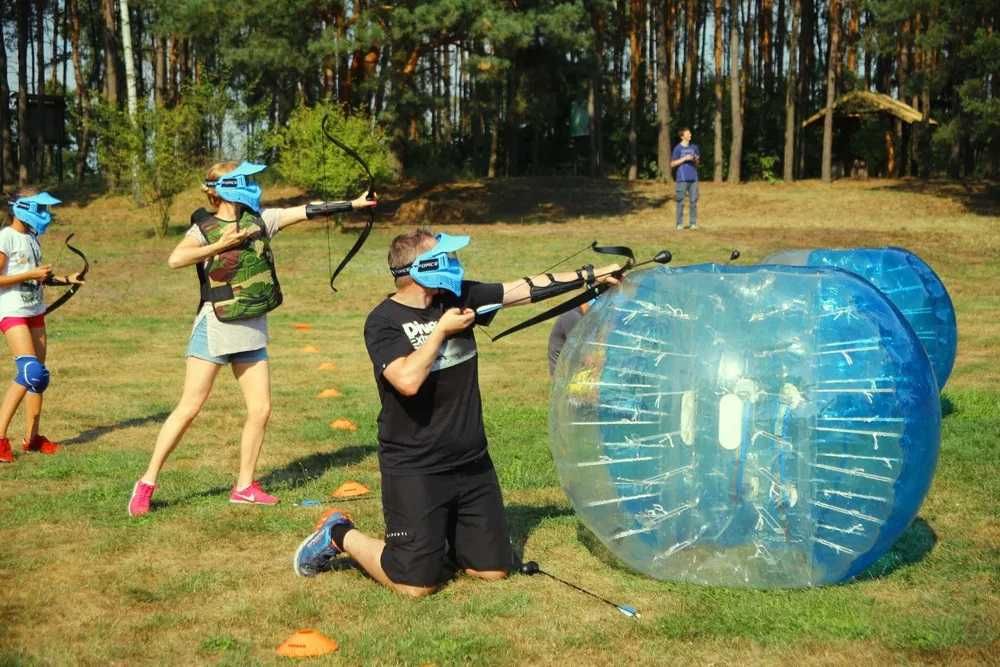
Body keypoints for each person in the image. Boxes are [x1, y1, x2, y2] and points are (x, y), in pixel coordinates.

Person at [292, 229, 621, 597]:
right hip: (416, 464)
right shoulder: (383, 320)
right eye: (444, 258)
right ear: (420, 268)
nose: (454, 264)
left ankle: (440, 534)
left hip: (470, 460)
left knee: (493, 571)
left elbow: (522, 289)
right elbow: (406, 380)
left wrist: (591, 276)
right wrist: (440, 332)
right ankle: (339, 533)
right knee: (415, 585)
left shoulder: (457, 295)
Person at [127, 160, 375, 516]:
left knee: (261, 409)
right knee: (189, 408)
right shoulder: (206, 228)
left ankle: (244, 486)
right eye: (245, 179)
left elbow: (304, 211)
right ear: (225, 186)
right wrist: (220, 245)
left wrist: (352, 204)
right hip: (215, 327)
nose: (253, 186)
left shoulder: (261, 221)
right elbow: (175, 259)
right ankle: (147, 482)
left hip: (251, 328)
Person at [0, 192, 85, 464]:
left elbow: (38, 279)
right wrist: (31, 274)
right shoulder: (6, 237)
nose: (45, 213)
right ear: (21, 209)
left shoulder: (32, 239)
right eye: (40, 208)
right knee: (29, 370)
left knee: (39, 378)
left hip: (35, 312)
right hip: (12, 311)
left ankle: (32, 439)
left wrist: (65, 279)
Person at [547, 300, 593, 377]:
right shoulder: (572, 315)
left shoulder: (583, 315)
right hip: (562, 369)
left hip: (571, 363)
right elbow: (580, 350)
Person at [670, 128, 700, 230]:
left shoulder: (694, 147)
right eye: (688, 133)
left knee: (693, 202)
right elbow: (672, 164)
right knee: (680, 202)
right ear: (682, 136)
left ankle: (693, 223)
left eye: (690, 133)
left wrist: (695, 159)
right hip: (682, 179)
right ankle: (679, 224)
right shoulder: (677, 149)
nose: (690, 135)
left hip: (694, 178)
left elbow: (697, 163)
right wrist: (684, 158)